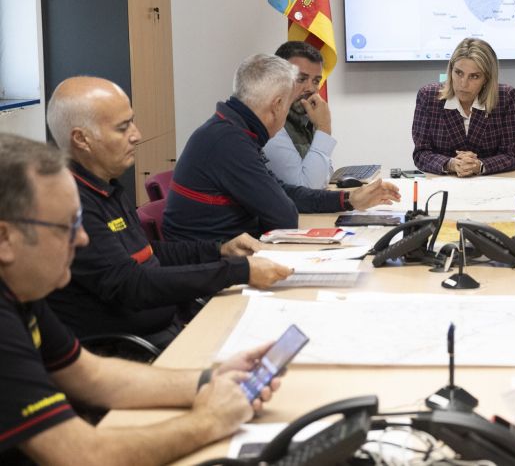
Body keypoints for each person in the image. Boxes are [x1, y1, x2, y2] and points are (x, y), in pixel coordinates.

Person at [0, 133, 282, 465]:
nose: (83, 238)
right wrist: (210, 421)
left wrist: (212, 380)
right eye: (67, 226)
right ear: (5, 238)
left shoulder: (20, 291)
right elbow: (81, 455)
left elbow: (91, 375)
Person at [44, 77, 292, 348]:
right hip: (134, 351)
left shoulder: (106, 188)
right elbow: (132, 284)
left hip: (170, 328)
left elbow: (149, 253)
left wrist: (220, 250)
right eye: (123, 127)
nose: (136, 134)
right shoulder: (70, 203)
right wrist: (238, 271)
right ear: (82, 139)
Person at [164, 54, 400, 242]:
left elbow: (284, 192)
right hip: (210, 274)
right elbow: (284, 215)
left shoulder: (231, 129)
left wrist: (349, 199)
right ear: (277, 105)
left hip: (227, 258)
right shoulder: (229, 141)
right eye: (288, 104)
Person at [411, 37, 515, 176]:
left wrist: (479, 165)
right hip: (442, 184)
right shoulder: (428, 97)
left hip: (490, 185)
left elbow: (512, 156)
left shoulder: (505, 97)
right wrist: (451, 164)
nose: (463, 84)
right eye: (458, 73)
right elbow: (421, 154)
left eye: (474, 76)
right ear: (450, 71)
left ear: (487, 78)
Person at [263, 41, 335, 189]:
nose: (310, 88)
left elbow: (325, 174)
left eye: (316, 81)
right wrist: (324, 128)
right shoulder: (270, 123)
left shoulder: (306, 118)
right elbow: (306, 189)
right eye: (301, 79)